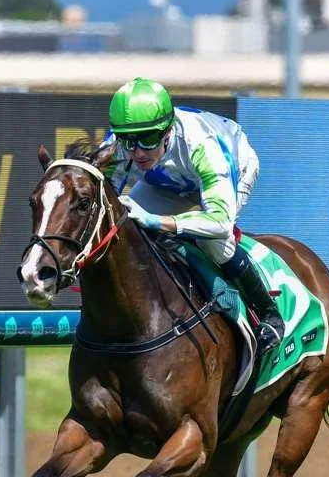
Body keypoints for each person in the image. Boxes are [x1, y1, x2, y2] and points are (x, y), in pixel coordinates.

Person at [102, 77, 284, 358]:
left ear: (167, 130)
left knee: (214, 241)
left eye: (148, 139)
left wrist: (156, 221)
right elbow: (104, 205)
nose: (137, 151)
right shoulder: (118, 145)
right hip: (167, 180)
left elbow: (220, 221)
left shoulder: (202, 145)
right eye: (128, 140)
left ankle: (269, 314)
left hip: (231, 166)